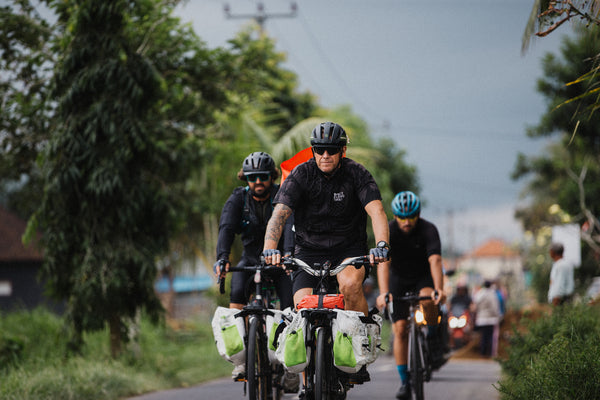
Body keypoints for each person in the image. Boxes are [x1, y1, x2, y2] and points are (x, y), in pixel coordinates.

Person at [262, 121, 390, 391]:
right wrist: (270, 249)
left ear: (342, 150)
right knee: (301, 308)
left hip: (348, 249)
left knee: (350, 285)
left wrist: (381, 245)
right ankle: (308, 381)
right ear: (313, 150)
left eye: (331, 150)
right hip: (308, 252)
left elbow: (377, 211)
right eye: (319, 149)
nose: (325, 155)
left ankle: (358, 351)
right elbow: (280, 214)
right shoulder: (300, 175)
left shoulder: (357, 173)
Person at [213, 151, 297, 388]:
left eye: (263, 176)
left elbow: (290, 223)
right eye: (252, 177)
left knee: (291, 307)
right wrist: (222, 258)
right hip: (249, 261)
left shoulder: (283, 195)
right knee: (237, 295)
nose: (258, 181)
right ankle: (241, 360)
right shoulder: (238, 199)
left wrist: (288, 255)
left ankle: (290, 366)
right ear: (245, 179)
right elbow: (226, 228)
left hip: (281, 262)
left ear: (272, 177)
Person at [375, 191, 446, 400]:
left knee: (428, 302)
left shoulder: (429, 229)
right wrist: (384, 293)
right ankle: (405, 382)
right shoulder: (389, 230)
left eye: (411, 217)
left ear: (419, 215)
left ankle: (432, 336)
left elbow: (435, 261)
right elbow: (383, 264)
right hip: (398, 279)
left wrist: (439, 290)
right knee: (400, 330)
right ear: (395, 216)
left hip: (422, 277)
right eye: (402, 217)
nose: (406, 222)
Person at [473, 280, 501, 357]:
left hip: (481, 319)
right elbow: (495, 307)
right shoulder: (492, 294)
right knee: (490, 336)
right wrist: (498, 316)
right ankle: (490, 354)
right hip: (491, 319)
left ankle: (482, 352)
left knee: (483, 336)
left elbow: (475, 306)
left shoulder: (479, 294)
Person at [547, 242, 575, 306]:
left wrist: (556, 301)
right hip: (563, 299)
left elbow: (559, 285)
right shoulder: (562, 264)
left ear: (553, 252)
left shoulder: (561, 265)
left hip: (560, 300)